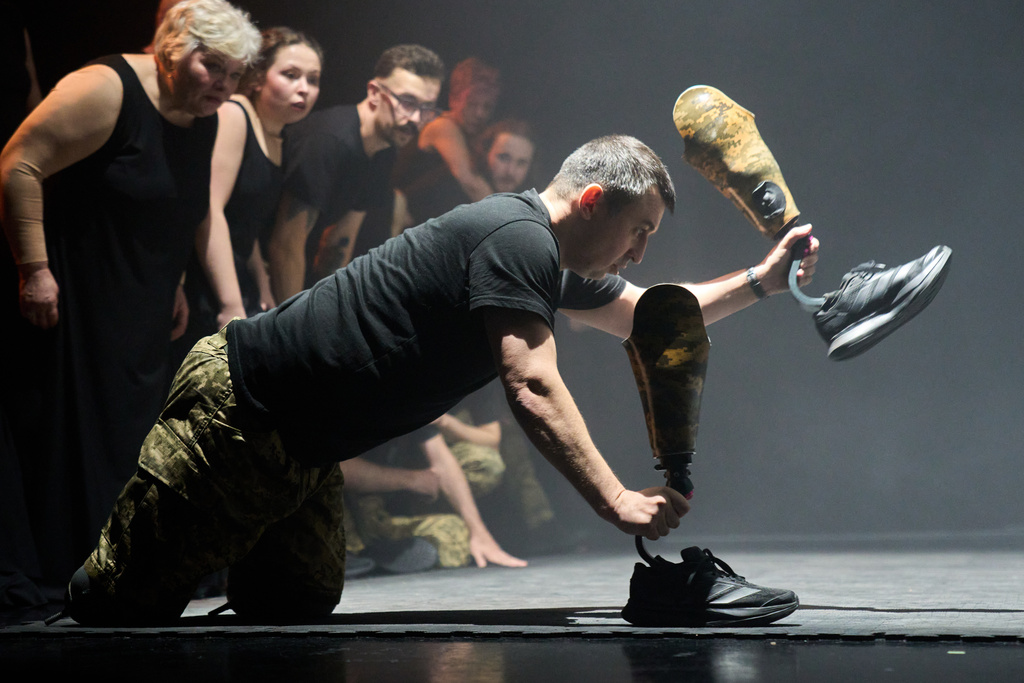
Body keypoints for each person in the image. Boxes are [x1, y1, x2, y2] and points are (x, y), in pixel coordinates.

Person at [57, 133, 824, 627]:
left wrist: (762, 280)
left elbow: (651, 316)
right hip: (243, 407)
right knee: (114, 604)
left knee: (295, 600)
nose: (640, 253)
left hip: (305, 444)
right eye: (640, 231)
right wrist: (618, 499)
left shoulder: (539, 258)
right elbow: (532, 385)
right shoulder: (514, 237)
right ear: (593, 201)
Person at [0, 0, 260, 593]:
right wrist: (34, 270)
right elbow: (18, 166)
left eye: (233, 74)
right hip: (71, 286)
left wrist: (170, 280)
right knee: (76, 428)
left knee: (131, 431)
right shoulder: (105, 88)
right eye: (212, 67)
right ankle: (69, 564)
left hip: (139, 296)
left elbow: (179, 203)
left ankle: (125, 564)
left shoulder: (207, 115)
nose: (223, 86)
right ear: (173, 48)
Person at [173, 26, 323, 361]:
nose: (304, 89)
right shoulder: (235, 113)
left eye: (313, 79)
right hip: (202, 278)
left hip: (237, 277)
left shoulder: (280, 139)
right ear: (257, 77)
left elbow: (244, 220)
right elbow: (209, 209)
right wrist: (232, 305)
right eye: (291, 74)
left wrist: (262, 282)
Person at [267, 44, 444, 296]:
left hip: (290, 274)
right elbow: (285, 246)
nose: (416, 118)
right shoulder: (329, 141)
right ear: (374, 92)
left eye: (427, 108)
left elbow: (340, 240)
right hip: (252, 270)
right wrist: (292, 328)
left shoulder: (384, 149)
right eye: (407, 102)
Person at [401, 117, 534, 230]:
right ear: (486, 152)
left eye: (521, 163)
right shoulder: (450, 189)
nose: (510, 171)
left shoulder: (525, 204)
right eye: (503, 158)